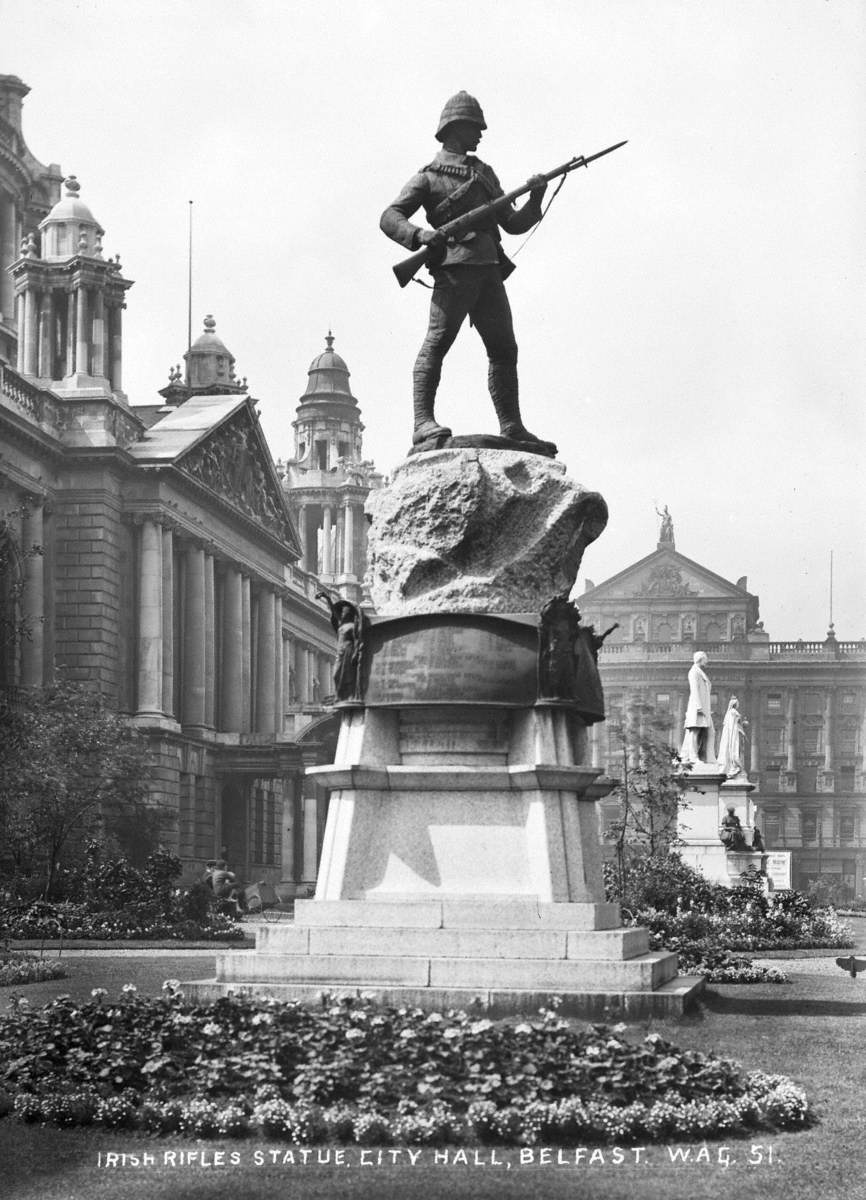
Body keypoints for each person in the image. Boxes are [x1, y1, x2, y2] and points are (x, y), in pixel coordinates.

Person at [380, 91, 550, 448]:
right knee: (438, 342)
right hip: (454, 269)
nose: (481, 135)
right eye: (476, 127)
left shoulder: (484, 175)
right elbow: (390, 217)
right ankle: (422, 422)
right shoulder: (428, 177)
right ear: (457, 128)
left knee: (504, 349)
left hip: (489, 268)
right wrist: (420, 235)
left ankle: (512, 425)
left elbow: (513, 224)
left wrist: (536, 197)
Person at [680, 650, 715, 764]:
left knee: (705, 732)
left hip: (702, 707)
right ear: (700, 659)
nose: (707, 661)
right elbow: (694, 690)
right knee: (695, 731)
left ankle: (703, 756)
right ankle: (693, 757)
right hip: (696, 707)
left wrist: (706, 709)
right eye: (706, 659)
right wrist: (699, 707)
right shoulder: (694, 672)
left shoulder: (699, 671)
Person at [717, 695, 749, 778]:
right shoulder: (733, 712)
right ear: (735, 704)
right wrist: (743, 726)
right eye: (737, 703)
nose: (738, 705)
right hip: (734, 734)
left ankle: (733, 766)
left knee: (735, 751)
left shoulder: (729, 713)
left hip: (733, 734)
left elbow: (735, 724)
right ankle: (734, 767)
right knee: (735, 750)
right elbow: (737, 724)